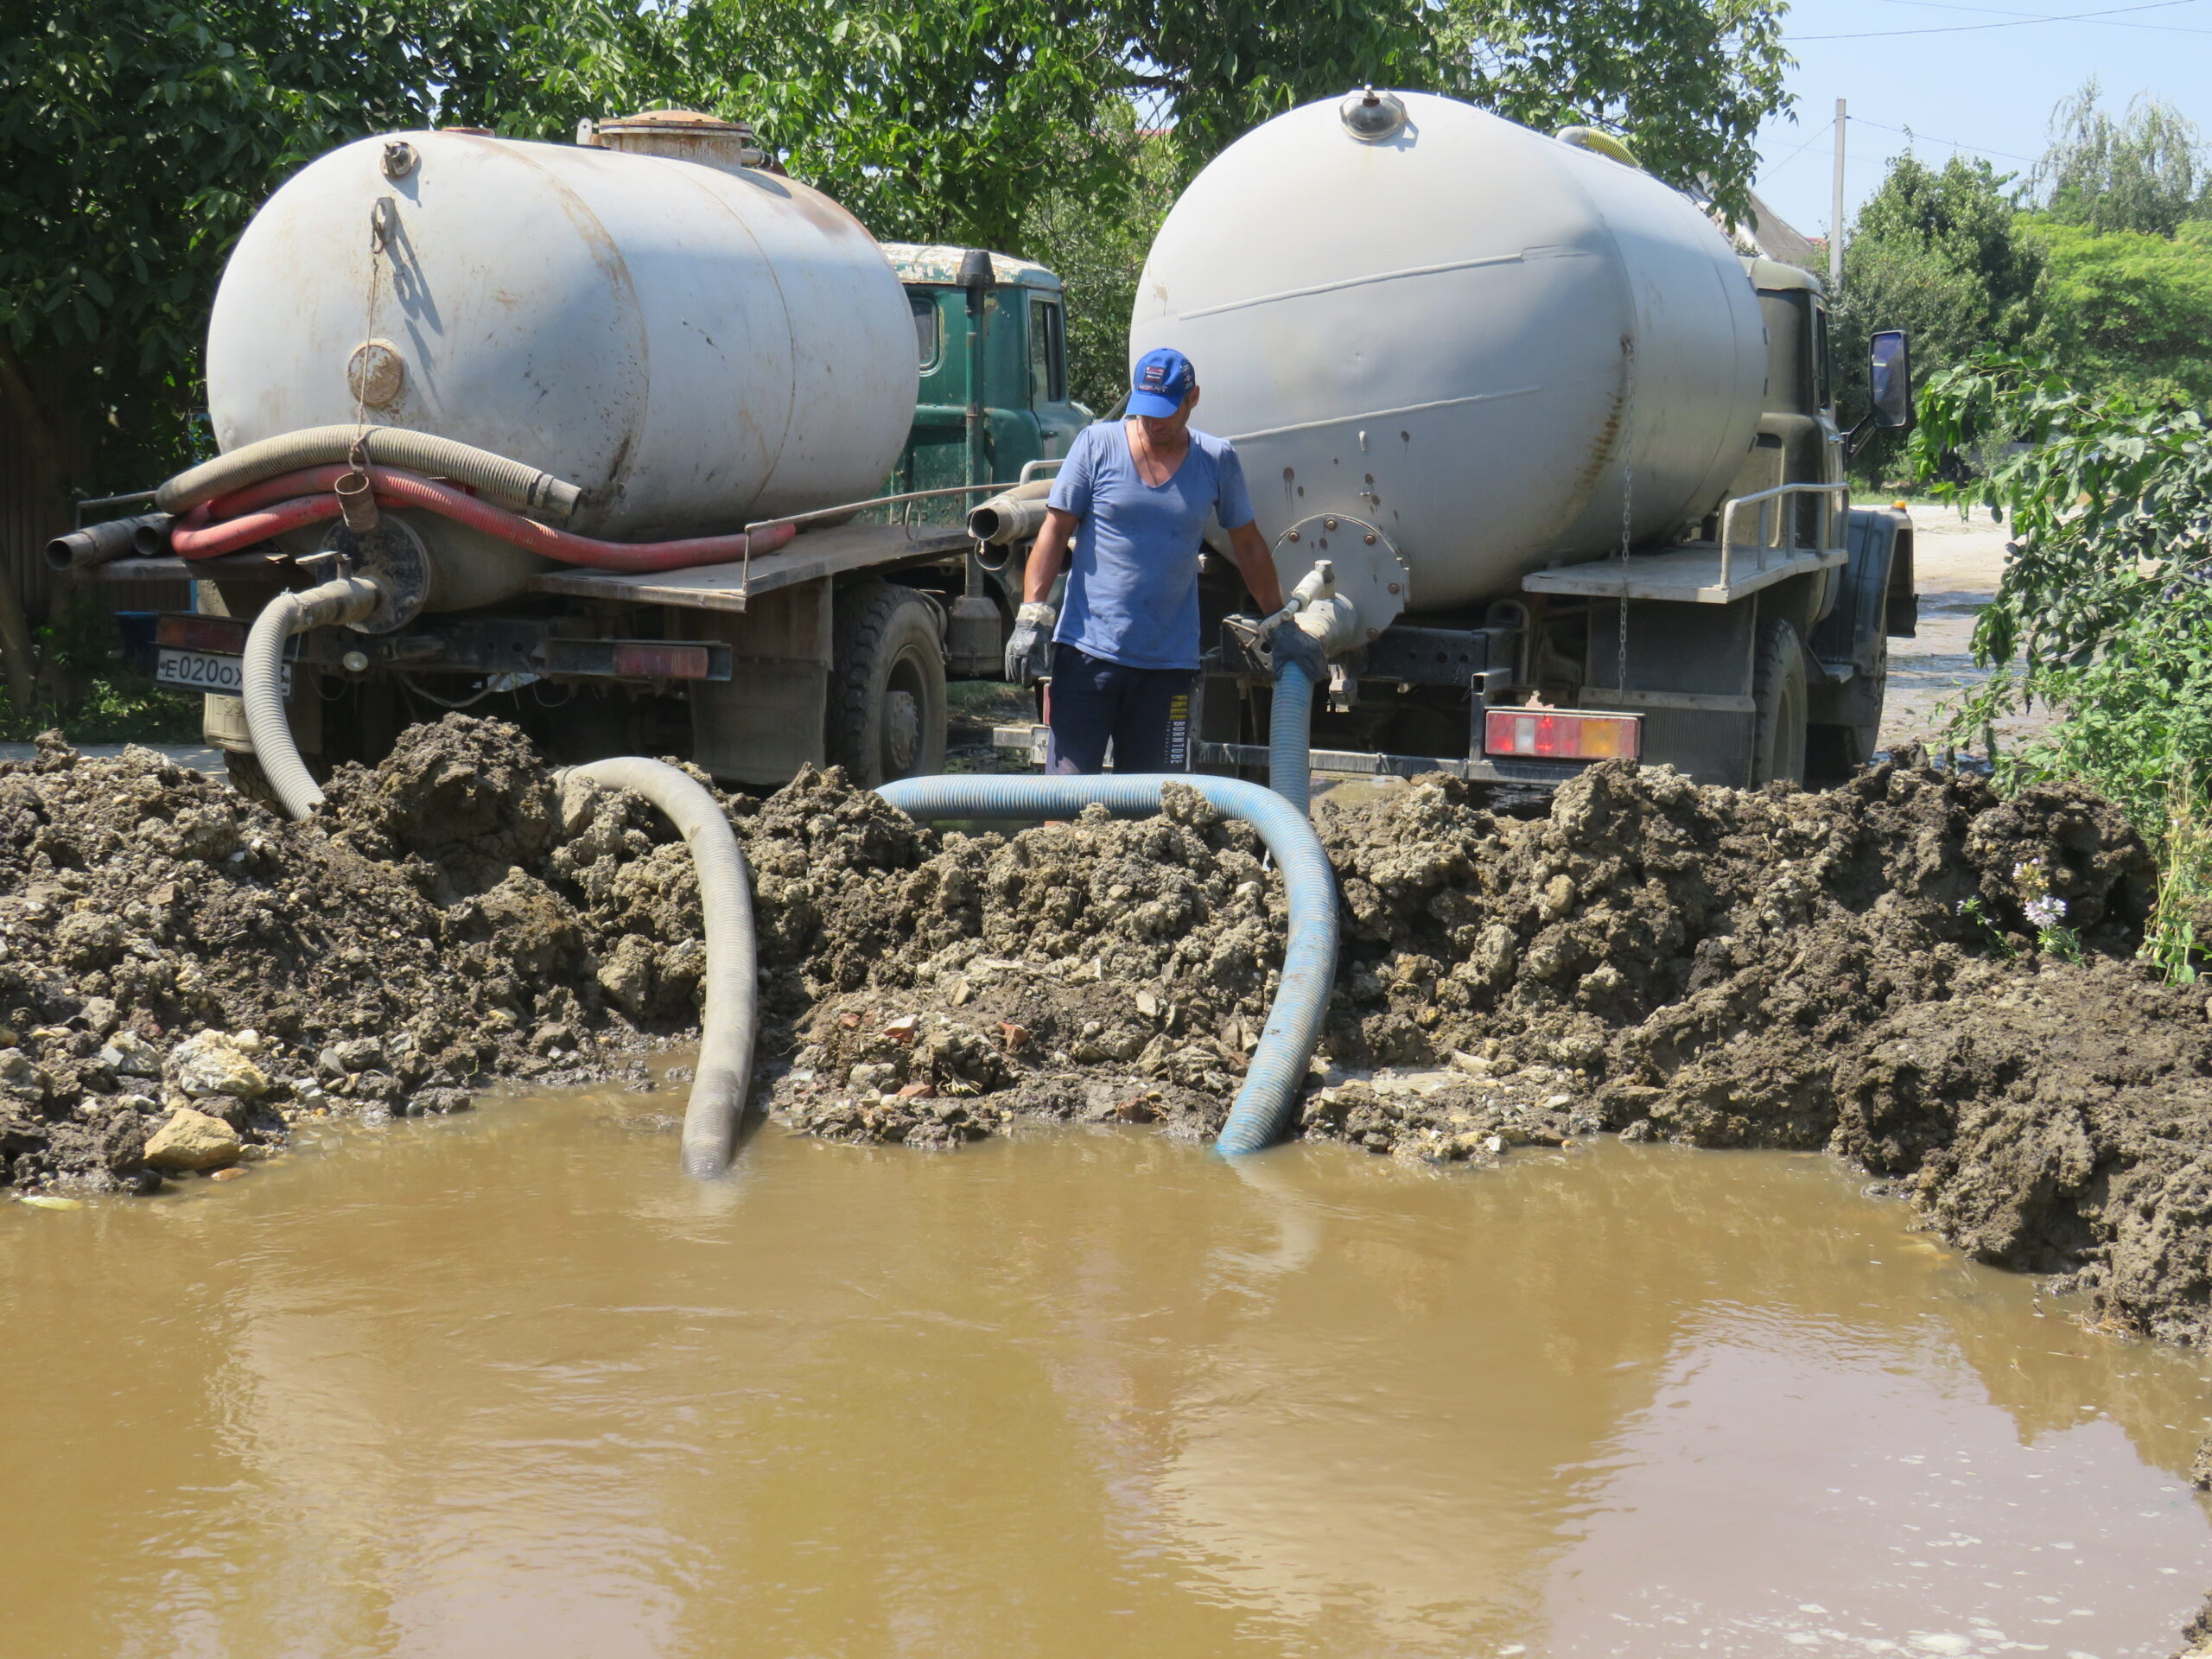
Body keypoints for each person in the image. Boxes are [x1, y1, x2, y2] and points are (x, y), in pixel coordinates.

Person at [1002, 347, 1321, 773]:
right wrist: (1031, 614)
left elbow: (1247, 545)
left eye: (1167, 411)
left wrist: (1280, 623)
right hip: (1088, 655)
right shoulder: (1097, 444)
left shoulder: (1215, 459)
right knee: (1065, 800)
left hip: (1167, 666)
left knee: (1152, 809)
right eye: (1146, 410)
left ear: (1193, 400)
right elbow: (1055, 531)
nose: (1155, 422)